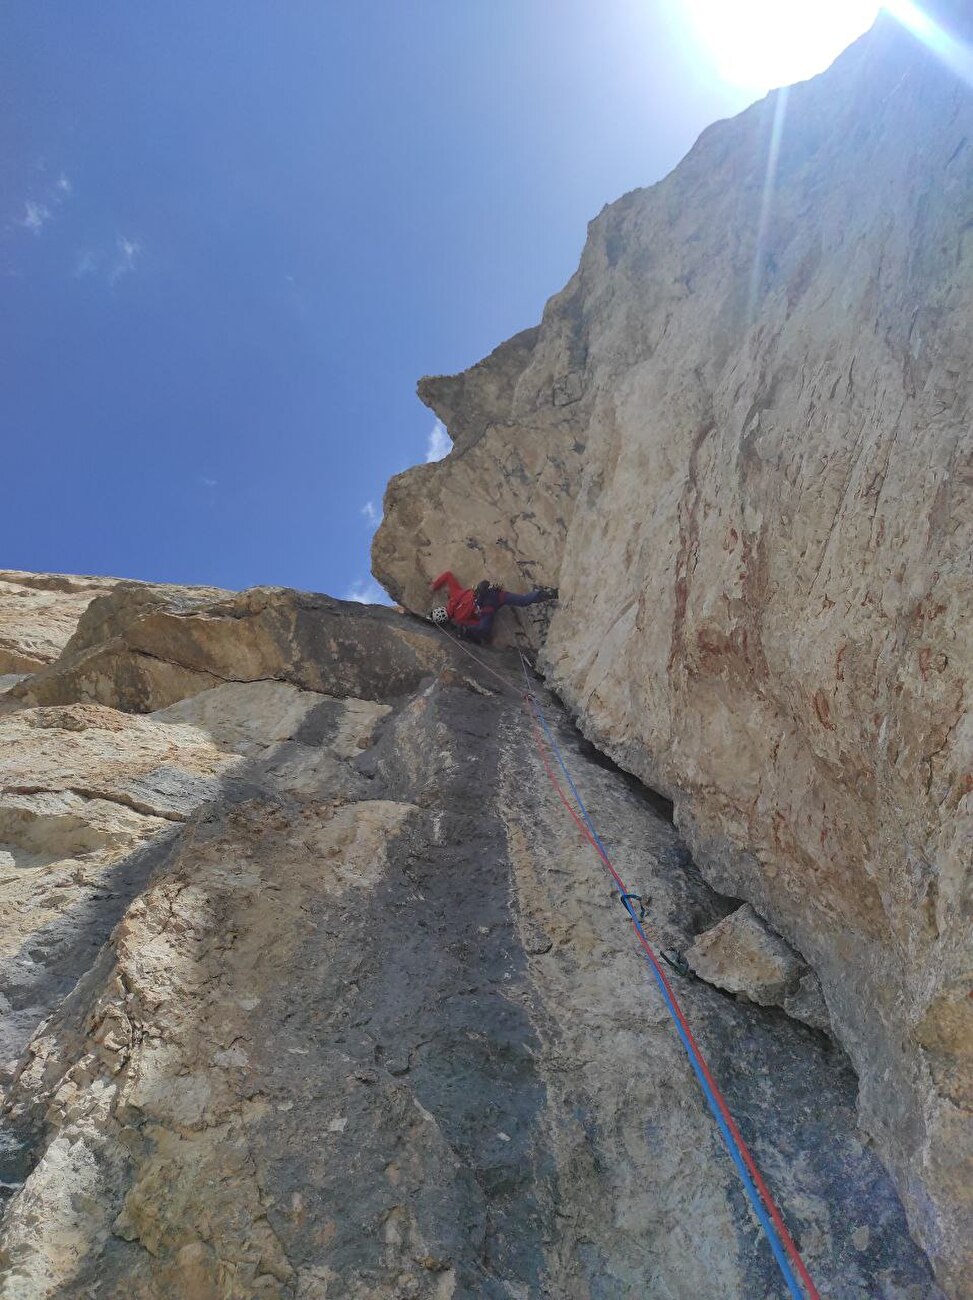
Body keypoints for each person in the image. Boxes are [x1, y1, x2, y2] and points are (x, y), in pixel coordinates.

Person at [429, 570, 557, 643]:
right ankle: (548, 594)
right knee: (523, 600)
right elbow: (448, 575)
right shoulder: (455, 595)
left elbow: (477, 623)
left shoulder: (459, 619)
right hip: (494, 595)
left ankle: (474, 638)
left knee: (482, 629)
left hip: (487, 609)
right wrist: (434, 585)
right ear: (442, 607)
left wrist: (466, 632)